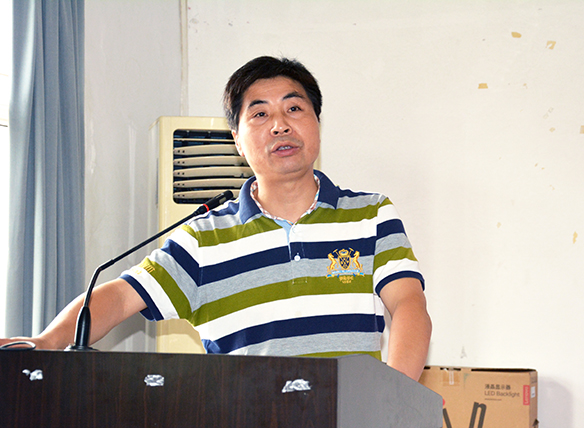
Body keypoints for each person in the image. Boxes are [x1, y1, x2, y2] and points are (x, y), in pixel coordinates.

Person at [0, 56, 431, 381]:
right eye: (259, 114)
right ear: (237, 142)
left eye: (294, 109)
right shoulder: (204, 238)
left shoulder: (370, 214)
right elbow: (120, 296)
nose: (280, 125)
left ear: (317, 122)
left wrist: (393, 399)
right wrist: (48, 342)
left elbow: (408, 305)